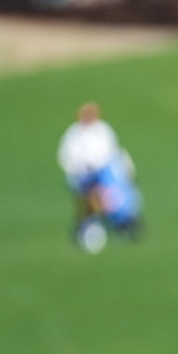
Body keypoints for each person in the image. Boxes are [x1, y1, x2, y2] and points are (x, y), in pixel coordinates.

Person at [57, 102, 143, 251]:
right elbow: (67, 158)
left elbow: (111, 151)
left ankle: (123, 221)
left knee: (115, 192)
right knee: (89, 198)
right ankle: (88, 223)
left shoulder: (103, 130)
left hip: (103, 171)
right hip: (83, 174)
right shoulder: (73, 134)